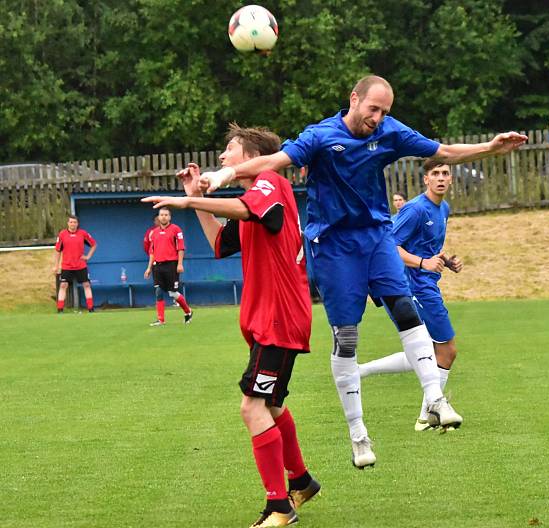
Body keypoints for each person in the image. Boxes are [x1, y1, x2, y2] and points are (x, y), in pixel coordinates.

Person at [199, 75, 527, 468]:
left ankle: (435, 398)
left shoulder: (390, 131)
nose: (378, 118)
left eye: (385, 111)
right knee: (348, 338)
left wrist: (489, 148)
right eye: (373, 109)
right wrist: (223, 176)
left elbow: (443, 150)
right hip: (334, 245)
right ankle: (358, 435)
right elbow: (274, 161)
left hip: (375, 236)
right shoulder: (320, 136)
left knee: (404, 306)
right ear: (354, 99)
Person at [143, 124, 319, 527]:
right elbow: (223, 244)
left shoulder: (271, 181)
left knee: (252, 407)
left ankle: (279, 507)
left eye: (230, 150)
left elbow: (245, 208)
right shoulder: (258, 196)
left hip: (278, 317)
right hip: (271, 317)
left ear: (252, 156)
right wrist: (197, 198)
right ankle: (302, 481)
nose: (222, 157)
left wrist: (188, 204)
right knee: (271, 404)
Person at [359, 160, 463, 431]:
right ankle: (429, 413)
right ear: (426, 180)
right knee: (447, 350)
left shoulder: (444, 209)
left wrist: (443, 261)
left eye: (445, 174)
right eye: (435, 174)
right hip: (412, 286)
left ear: (451, 179)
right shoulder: (415, 209)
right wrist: (422, 263)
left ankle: (361, 372)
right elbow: (390, 246)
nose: (441, 178)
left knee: (425, 351)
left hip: (426, 283)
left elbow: (426, 248)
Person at [144, 208, 193, 326]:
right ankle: (161, 319)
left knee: (173, 293)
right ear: (158, 217)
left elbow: (181, 248)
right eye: (161, 215)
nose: (164, 217)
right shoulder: (154, 233)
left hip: (171, 265)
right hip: (157, 266)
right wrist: (149, 268)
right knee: (158, 291)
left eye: (166, 215)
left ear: (169, 217)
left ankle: (188, 311)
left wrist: (180, 264)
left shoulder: (176, 230)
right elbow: (152, 252)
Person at [52, 214, 97, 312]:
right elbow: (58, 251)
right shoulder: (62, 234)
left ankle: (91, 308)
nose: (73, 224)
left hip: (80, 265)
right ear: (68, 223)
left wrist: (88, 256)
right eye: (71, 222)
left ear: (77, 224)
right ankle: (60, 309)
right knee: (63, 285)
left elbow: (94, 244)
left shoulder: (83, 233)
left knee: (86, 285)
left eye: (75, 222)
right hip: (67, 266)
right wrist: (56, 266)